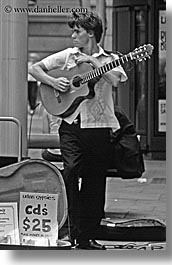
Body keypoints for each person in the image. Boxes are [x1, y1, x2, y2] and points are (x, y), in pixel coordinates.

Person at [29, 11, 127, 250]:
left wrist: (93, 62)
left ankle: (87, 237)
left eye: (77, 31)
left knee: (95, 181)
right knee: (71, 172)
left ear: (91, 33)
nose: (73, 36)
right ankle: (69, 230)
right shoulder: (67, 56)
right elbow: (35, 68)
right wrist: (54, 82)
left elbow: (115, 80)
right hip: (71, 125)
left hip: (99, 126)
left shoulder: (110, 58)